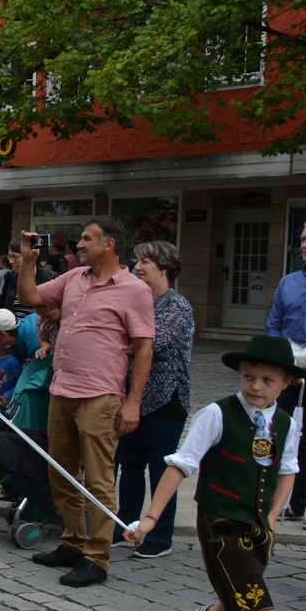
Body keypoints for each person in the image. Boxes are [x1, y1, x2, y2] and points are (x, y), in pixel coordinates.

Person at [126, 334, 306, 611]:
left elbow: (288, 469)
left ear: (287, 383)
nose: (255, 387)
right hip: (222, 526)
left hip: (257, 529)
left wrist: (275, 513)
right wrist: (151, 519)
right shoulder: (217, 413)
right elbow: (180, 466)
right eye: (248, 377)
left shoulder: (287, 422)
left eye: (267, 379)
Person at [18, 217, 155, 588]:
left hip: (101, 396)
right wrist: (29, 264)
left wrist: (133, 404)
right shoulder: (75, 279)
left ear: (109, 244)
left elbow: (144, 348)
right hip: (62, 391)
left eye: (87, 238)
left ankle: (97, 557)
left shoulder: (134, 290)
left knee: (98, 480)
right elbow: (30, 299)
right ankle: (74, 541)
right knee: (60, 473)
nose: (80, 244)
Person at [112, 239, 194, 559]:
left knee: (162, 471)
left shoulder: (176, 305)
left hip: (165, 399)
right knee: (130, 467)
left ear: (163, 268)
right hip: (132, 396)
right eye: (137, 260)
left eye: (144, 262)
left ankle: (160, 536)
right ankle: (126, 526)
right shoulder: (138, 301)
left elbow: (149, 343)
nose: (136, 267)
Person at [265, 216, 306, 522]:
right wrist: (282, 364)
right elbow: (274, 326)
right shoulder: (288, 282)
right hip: (291, 371)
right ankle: (293, 502)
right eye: (304, 241)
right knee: (289, 435)